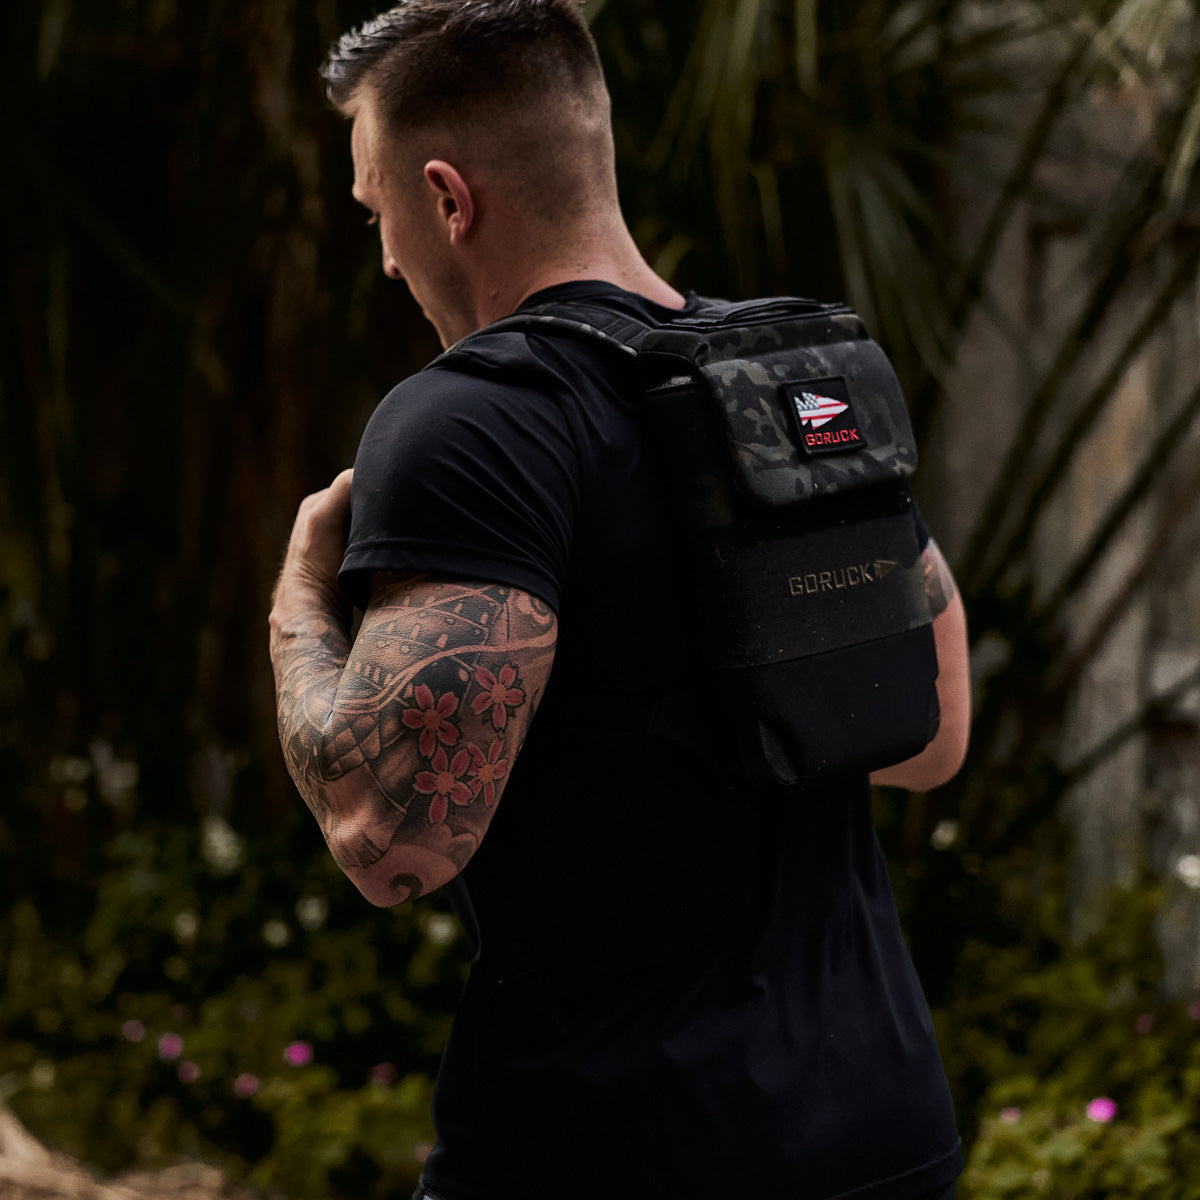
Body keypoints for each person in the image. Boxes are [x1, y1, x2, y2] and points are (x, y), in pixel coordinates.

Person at [268, 2, 973, 1197]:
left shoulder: (471, 419)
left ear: (448, 198)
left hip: (615, 1151)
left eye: (376, 207)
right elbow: (933, 735)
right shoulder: (789, 382)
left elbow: (392, 843)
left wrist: (297, 593)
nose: (384, 255)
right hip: (881, 1132)